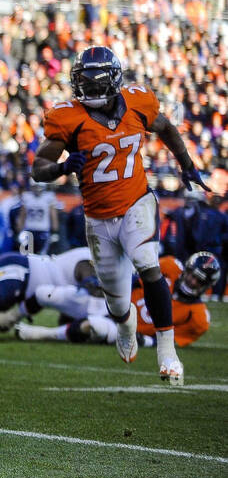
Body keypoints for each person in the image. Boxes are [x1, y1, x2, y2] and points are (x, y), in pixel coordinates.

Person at [32, 45, 210, 384]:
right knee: (117, 303)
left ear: (112, 81)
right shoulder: (68, 117)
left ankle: (166, 350)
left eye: (95, 83)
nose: (88, 89)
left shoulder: (138, 102)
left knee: (148, 264)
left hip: (136, 203)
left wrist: (187, 165)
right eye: (83, 81)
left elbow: (167, 128)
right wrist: (61, 167)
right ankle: (125, 325)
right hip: (98, 219)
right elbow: (37, 169)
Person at [17, 252, 218, 349]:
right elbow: (133, 280)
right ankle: (11, 317)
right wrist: (104, 285)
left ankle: (42, 334)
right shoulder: (170, 267)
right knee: (46, 293)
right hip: (111, 304)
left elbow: (170, 341)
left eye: (198, 280)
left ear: (206, 286)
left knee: (94, 326)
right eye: (191, 274)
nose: (191, 280)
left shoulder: (198, 317)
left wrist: (144, 340)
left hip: (126, 330)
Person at [14, 180, 60, 254]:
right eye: (35, 187)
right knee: (28, 255)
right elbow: (22, 215)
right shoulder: (26, 196)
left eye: (39, 187)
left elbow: (53, 216)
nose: (37, 189)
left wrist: (55, 231)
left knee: (40, 256)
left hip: (42, 231)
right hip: (29, 230)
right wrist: (19, 230)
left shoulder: (49, 197)